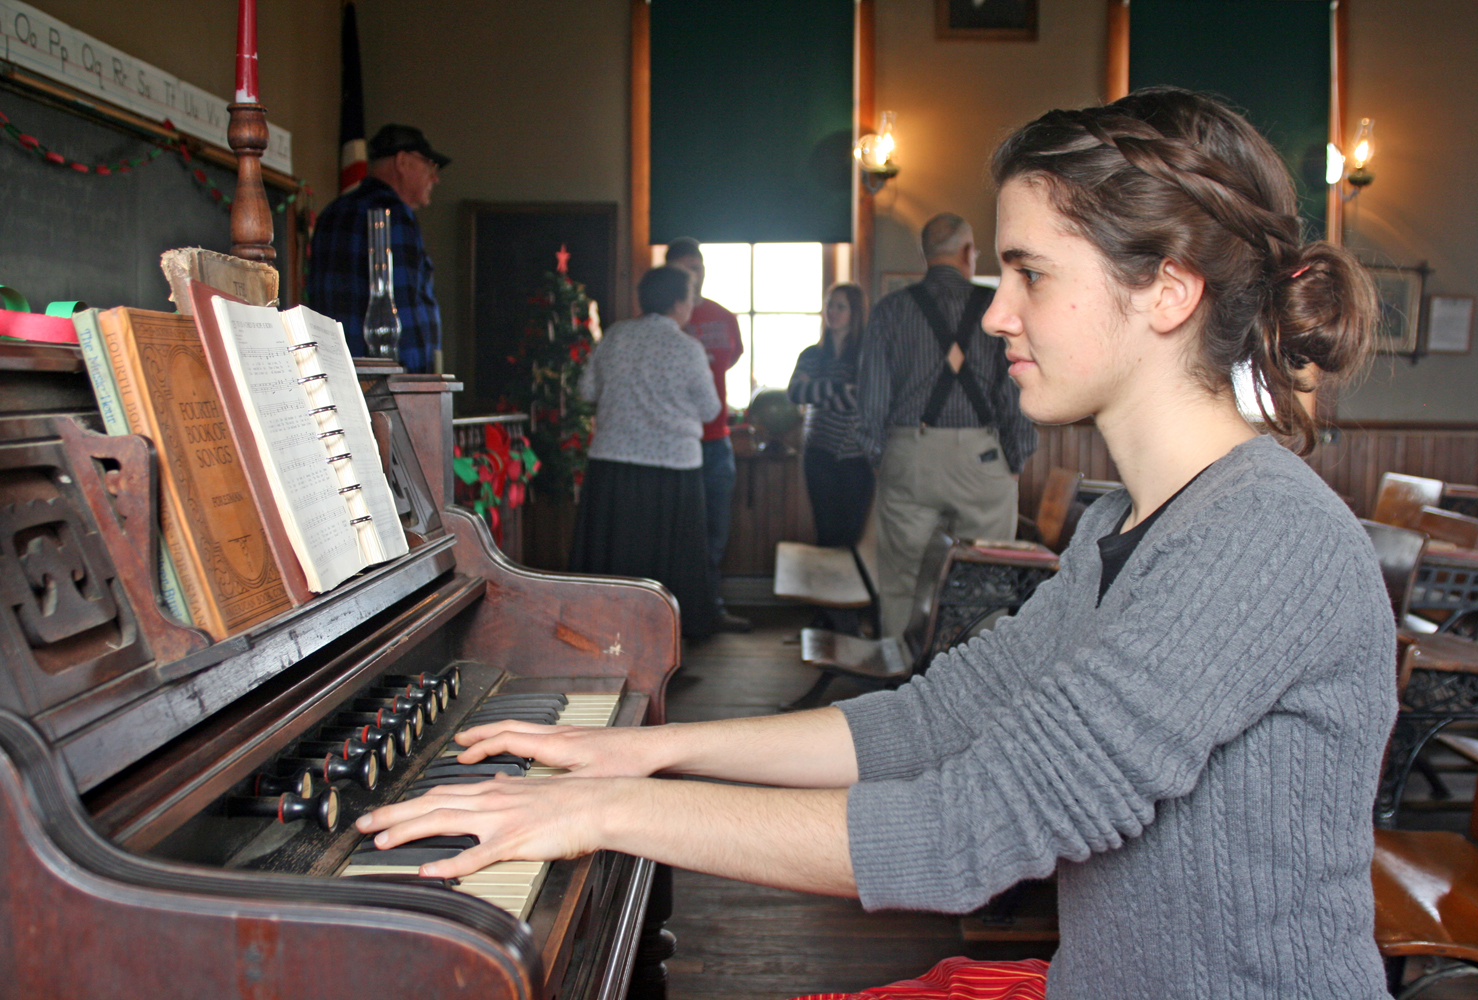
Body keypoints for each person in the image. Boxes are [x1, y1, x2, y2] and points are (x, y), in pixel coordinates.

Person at [357, 88, 1392, 999]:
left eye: (1031, 273)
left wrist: (610, 809)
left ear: (1169, 289)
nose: (997, 316)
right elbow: (936, 719)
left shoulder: (1263, 535)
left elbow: (970, 827)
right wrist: (646, 747)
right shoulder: (1129, 526)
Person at [855, 214, 1037, 637]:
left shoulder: (891, 310)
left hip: (910, 453)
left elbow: (870, 404)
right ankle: (975, 682)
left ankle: (902, 677)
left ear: (925, 254)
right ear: (967, 253)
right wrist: (1016, 458)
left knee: (903, 579)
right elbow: (1014, 393)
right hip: (982, 456)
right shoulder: (996, 310)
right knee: (986, 581)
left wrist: (883, 459)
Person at [568, 265, 722, 641]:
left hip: (614, 464)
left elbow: (586, 391)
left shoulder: (616, 336)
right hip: (674, 470)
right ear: (677, 302)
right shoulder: (688, 348)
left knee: (617, 557)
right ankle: (666, 644)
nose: (693, 303)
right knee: (670, 564)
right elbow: (710, 410)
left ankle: (605, 636)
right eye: (690, 295)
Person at [307, 123, 446, 373]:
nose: (435, 177)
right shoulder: (395, 215)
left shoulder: (330, 214)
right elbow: (404, 309)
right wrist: (421, 385)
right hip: (387, 383)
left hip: (333, 373)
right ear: (402, 161)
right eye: (430, 165)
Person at [664, 237, 752, 633]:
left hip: (718, 443)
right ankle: (673, 619)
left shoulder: (724, 317)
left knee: (716, 533)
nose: (691, 276)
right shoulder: (662, 325)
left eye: (696, 268)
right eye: (683, 269)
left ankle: (711, 611)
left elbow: (732, 359)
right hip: (674, 446)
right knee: (675, 534)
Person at [789, 284, 874, 549]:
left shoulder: (867, 356)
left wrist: (818, 391)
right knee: (826, 531)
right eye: (830, 305)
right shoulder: (811, 355)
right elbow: (795, 393)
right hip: (818, 454)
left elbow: (862, 400)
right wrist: (838, 388)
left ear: (855, 312)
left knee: (851, 535)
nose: (832, 312)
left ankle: (848, 590)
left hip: (857, 456)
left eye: (841, 306)